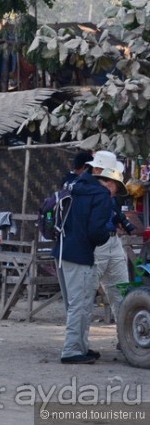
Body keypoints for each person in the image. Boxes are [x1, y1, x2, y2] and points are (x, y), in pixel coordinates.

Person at [52, 164, 112, 364]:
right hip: (80, 255)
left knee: (76, 304)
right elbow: (96, 231)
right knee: (81, 304)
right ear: (111, 181)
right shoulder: (101, 194)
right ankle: (71, 351)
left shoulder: (72, 185)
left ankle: (81, 347)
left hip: (61, 251)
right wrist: (109, 230)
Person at [86, 151, 133, 323]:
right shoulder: (88, 191)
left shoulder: (107, 195)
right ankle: (79, 345)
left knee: (120, 291)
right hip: (98, 244)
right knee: (85, 295)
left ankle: (125, 338)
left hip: (113, 242)